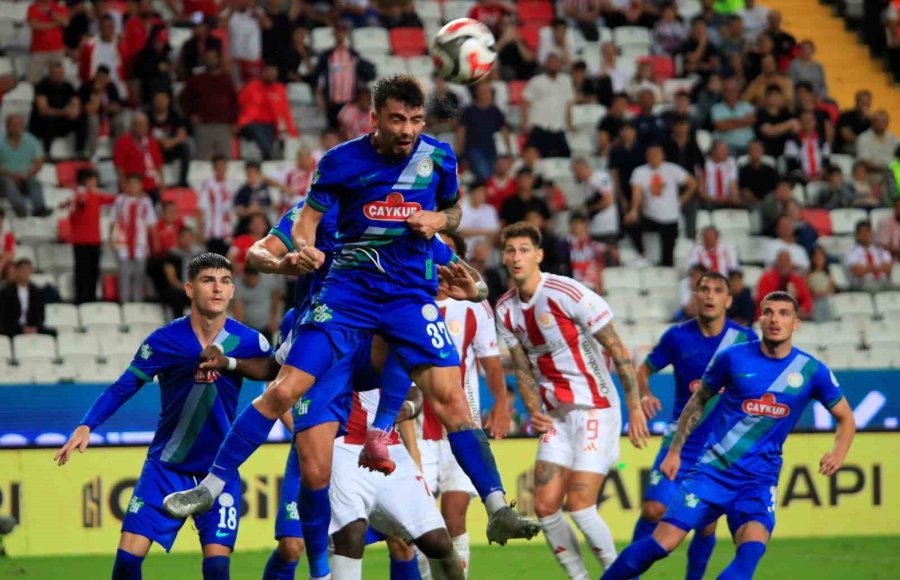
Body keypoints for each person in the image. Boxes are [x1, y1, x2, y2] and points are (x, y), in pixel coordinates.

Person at [163, 75, 539, 580]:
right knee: (291, 410)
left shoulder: (438, 159)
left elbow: (451, 217)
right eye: (397, 119)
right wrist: (300, 253)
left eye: (415, 119)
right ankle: (211, 488)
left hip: (404, 299)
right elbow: (293, 231)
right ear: (374, 118)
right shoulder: (338, 167)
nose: (407, 130)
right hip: (345, 299)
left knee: (450, 399)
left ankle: (495, 505)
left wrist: (444, 232)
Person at [601, 291, 855, 580]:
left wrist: (838, 453)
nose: (775, 319)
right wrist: (676, 449)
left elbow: (846, 418)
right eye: (769, 312)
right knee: (660, 545)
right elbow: (696, 403)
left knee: (749, 553)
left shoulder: (811, 371)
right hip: (712, 473)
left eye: (784, 313)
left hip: (758, 481)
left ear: (795, 323)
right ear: (760, 319)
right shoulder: (732, 358)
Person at [54, 253, 272, 580]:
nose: (218, 289)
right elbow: (123, 387)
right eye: (208, 280)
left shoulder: (249, 341)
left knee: (217, 568)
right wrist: (87, 424)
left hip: (219, 469)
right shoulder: (164, 340)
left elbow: (278, 377)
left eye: (225, 282)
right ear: (189, 289)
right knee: (127, 562)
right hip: (166, 467)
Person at [496, 221, 648, 578]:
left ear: (539, 255)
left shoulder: (568, 293)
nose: (517, 257)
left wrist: (635, 405)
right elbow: (521, 367)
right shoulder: (504, 310)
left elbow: (617, 348)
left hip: (595, 407)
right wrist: (532, 409)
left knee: (579, 505)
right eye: (510, 250)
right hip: (556, 416)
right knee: (546, 507)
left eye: (524, 250)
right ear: (503, 257)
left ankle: (619, 574)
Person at [631, 271, 757, 580]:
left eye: (717, 290)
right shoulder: (677, 336)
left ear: (728, 299)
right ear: (695, 296)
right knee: (652, 510)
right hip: (681, 440)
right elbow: (642, 371)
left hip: (722, 447)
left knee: (706, 524)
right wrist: (645, 394)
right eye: (704, 289)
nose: (710, 295)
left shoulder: (745, 339)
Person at [417, 233, 509, 578]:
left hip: (460, 424)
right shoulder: (407, 300)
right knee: (423, 521)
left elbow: (490, 360)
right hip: (417, 429)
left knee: (454, 513)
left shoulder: (474, 305)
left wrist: (500, 402)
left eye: (451, 257)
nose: (444, 264)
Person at [627, 144, 698, 267]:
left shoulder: (672, 169)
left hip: (670, 218)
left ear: (662, 155)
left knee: (668, 258)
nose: (654, 157)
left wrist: (683, 199)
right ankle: (642, 254)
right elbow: (637, 191)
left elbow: (692, 183)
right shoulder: (640, 171)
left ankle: (665, 273)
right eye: (651, 154)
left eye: (656, 154)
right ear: (646, 156)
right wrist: (634, 210)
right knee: (631, 223)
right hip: (650, 216)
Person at [63, 167, 116, 304]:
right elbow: (72, 216)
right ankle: (80, 299)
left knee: (94, 271)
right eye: (90, 180)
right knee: (81, 271)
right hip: (80, 240)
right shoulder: (75, 197)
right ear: (84, 182)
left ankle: (91, 298)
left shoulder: (97, 196)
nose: (93, 183)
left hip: (95, 240)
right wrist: (79, 203)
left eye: (95, 180)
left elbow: (113, 200)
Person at [179, 49, 239, 160]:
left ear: (218, 59)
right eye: (208, 57)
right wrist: (191, 114)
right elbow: (183, 98)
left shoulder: (226, 78)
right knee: (202, 160)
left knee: (225, 159)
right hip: (203, 125)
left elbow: (234, 102)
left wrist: (234, 122)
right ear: (204, 60)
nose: (211, 60)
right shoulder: (197, 79)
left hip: (224, 125)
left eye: (213, 57)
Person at [111, 174, 157, 303]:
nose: (133, 187)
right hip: (123, 243)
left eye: (136, 184)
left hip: (140, 243)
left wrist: (154, 241)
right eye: (130, 184)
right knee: (124, 275)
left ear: (141, 186)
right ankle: (124, 303)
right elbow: (113, 221)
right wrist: (111, 239)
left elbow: (151, 223)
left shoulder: (146, 202)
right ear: (125, 186)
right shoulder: (120, 200)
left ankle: (138, 303)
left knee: (139, 276)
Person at [238, 64, 299, 160]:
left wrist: (292, 130)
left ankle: (267, 156)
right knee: (257, 129)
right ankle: (268, 153)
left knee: (271, 133)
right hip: (250, 123)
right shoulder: (251, 86)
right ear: (263, 73)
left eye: (274, 73)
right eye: (269, 72)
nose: (271, 75)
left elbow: (285, 110)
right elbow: (239, 103)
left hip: (270, 124)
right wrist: (238, 123)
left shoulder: (279, 89)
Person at [522, 52, 574, 158]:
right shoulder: (536, 81)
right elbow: (525, 103)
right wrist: (525, 123)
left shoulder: (566, 81)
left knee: (565, 156)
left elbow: (569, 103)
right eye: (551, 62)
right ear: (546, 64)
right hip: (540, 126)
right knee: (539, 157)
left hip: (558, 126)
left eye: (556, 62)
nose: (554, 65)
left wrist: (569, 122)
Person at [30, 60, 86, 156]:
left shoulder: (68, 86)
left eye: (60, 73)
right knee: (48, 120)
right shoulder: (42, 86)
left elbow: (75, 101)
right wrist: (64, 112)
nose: (58, 76)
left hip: (63, 118)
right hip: (43, 120)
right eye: (55, 73)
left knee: (82, 118)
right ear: (50, 74)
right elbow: (43, 110)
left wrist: (74, 111)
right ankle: (46, 152)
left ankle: (79, 151)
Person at [457, 82, 510, 182]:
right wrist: (460, 153)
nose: (485, 94)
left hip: (492, 150)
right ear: (477, 93)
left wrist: (509, 151)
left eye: (488, 92)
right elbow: (461, 132)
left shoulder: (495, 111)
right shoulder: (469, 111)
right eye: (482, 92)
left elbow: (504, 130)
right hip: (474, 150)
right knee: (485, 175)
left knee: (494, 176)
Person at [0, 115, 51, 217]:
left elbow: (38, 163)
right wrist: (10, 174)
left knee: (35, 182)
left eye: (19, 124)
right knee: (8, 182)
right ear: (7, 126)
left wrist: (27, 174)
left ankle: (39, 209)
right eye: (13, 125)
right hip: (5, 176)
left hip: (26, 175)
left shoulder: (32, 141)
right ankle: (21, 209)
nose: (17, 127)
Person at [113, 112, 164, 203]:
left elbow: (159, 164)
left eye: (143, 124)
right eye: (137, 124)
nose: (140, 127)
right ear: (132, 126)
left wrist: (162, 183)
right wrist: (124, 186)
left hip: (151, 187)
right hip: (132, 187)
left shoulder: (152, 142)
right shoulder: (123, 142)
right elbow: (119, 167)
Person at [146, 91, 190, 187]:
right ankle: (150, 180)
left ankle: (183, 180)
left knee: (185, 147)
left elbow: (182, 134)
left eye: (163, 100)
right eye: (158, 100)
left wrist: (171, 142)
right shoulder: (147, 115)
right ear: (153, 101)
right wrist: (161, 142)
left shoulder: (175, 115)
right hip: (155, 148)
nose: (160, 102)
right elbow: (144, 135)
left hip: (171, 147)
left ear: (168, 101)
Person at [0, 258, 50, 337]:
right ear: (16, 271)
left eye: (28, 269)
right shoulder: (5, 292)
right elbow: (4, 317)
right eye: (22, 269)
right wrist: (22, 328)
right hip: (13, 327)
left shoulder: (37, 292)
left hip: (32, 326)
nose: (25, 272)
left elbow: (40, 316)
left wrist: (34, 327)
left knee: (52, 333)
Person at [755, 250, 813, 319]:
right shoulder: (766, 278)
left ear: (791, 263)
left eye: (786, 261)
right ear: (776, 263)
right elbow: (763, 301)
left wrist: (802, 309)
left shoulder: (797, 279)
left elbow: (808, 300)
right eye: (781, 261)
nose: (784, 264)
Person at [574, 157, 618, 245]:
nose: (575, 175)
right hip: (593, 228)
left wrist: (587, 208)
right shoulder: (586, 183)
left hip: (605, 228)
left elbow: (608, 201)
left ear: (582, 169)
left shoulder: (600, 178)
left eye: (576, 172)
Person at [197, 155, 236, 256]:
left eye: (223, 166)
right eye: (218, 166)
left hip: (227, 233)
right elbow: (201, 208)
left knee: (226, 265)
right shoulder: (208, 185)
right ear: (214, 168)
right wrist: (200, 231)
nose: (221, 169)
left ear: (226, 167)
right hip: (212, 232)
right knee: (213, 264)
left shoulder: (231, 184)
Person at [233, 266, 283, 339]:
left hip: (266, 326)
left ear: (258, 275)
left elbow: (276, 296)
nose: (252, 283)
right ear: (245, 276)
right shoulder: (238, 283)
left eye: (254, 280)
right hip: (248, 327)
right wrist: (239, 329)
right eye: (249, 281)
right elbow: (238, 308)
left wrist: (273, 319)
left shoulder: (268, 278)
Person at [27, 0, 70, 84]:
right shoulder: (33, 7)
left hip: (56, 49)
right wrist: (54, 24)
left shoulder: (59, 7)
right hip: (38, 49)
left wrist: (49, 12)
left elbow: (65, 22)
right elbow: (34, 25)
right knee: (33, 80)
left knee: (58, 79)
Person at [711, 77, 755, 155]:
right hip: (727, 149)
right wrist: (743, 121)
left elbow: (751, 120)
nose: (730, 93)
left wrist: (729, 122)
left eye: (733, 90)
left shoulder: (747, 106)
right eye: (727, 90)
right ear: (723, 92)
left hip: (748, 147)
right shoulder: (716, 108)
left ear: (738, 91)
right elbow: (721, 126)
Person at [844, 220, 893, 292]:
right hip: (862, 286)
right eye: (862, 232)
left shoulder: (880, 250)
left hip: (882, 283)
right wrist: (878, 267)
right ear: (857, 234)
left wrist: (867, 268)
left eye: (867, 231)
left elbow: (888, 268)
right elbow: (857, 271)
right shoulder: (851, 253)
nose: (865, 234)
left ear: (871, 233)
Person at [458, 181, 500, 255]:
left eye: (484, 193)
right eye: (479, 192)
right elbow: (460, 232)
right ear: (471, 193)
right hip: (465, 249)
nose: (482, 195)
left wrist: (486, 246)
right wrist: (485, 232)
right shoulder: (462, 208)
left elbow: (494, 234)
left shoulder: (490, 210)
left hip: (485, 250)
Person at [700, 140, 742, 208]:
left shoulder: (731, 162)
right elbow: (702, 192)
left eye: (726, 149)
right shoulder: (704, 164)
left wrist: (734, 198)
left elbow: (733, 185)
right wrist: (717, 199)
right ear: (713, 151)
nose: (726, 152)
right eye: (722, 149)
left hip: (727, 200)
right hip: (709, 201)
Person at [739, 140, 778, 204]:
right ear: (748, 152)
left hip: (768, 203)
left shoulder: (770, 170)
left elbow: (774, 189)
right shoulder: (743, 170)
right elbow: (744, 190)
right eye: (752, 149)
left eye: (757, 149)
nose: (755, 152)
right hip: (750, 203)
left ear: (762, 151)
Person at [834, 89, 872, 155]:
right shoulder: (846, 115)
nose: (865, 104)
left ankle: (894, 165)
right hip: (847, 147)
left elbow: (878, 135)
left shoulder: (871, 120)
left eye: (867, 102)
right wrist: (865, 143)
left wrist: (871, 120)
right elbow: (847, 136)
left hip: (866, 146)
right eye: (862, 101)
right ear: (856, 102)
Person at [808, 246, 835, 322]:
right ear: (813, 258)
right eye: (816, 255)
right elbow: (809, 290)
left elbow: (831, 289)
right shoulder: (809, 274)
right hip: (814, 302)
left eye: (821, 256)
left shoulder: (828, 274)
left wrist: (823, 293)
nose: (819, 258)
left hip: (826, 301)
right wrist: (818, 294)